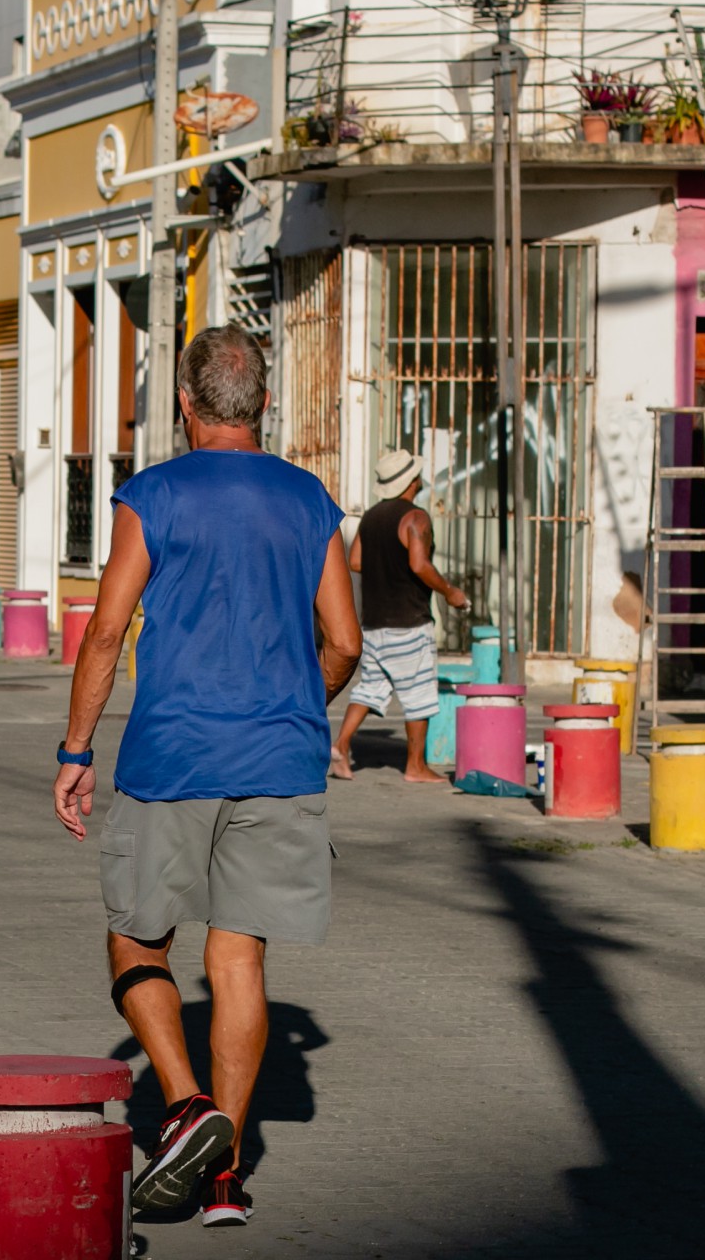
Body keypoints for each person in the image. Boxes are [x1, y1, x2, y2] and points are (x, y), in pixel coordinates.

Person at [51, 325, 362, 1226]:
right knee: (238, 954)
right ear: (262, 402)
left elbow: (105, 632)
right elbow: (343, 641)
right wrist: (305, 700)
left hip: (173, 755)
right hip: (281, 758)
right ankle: (225, 1177)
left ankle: (186, 1111)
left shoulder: (154, 495)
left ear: (186, 404)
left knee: (138, 940)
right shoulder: (310, 501)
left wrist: (76, 751)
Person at [330, 449, 470, 784]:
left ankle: (341, 744)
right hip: (408, 621)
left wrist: (385, 567)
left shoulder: (373, 517)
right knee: (419, 693)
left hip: (374, 622)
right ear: (412, 481)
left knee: (370, 688)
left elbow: (356, 561)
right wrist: (450, 591)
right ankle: (415, 766)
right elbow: (419, 565)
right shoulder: (416, 518)